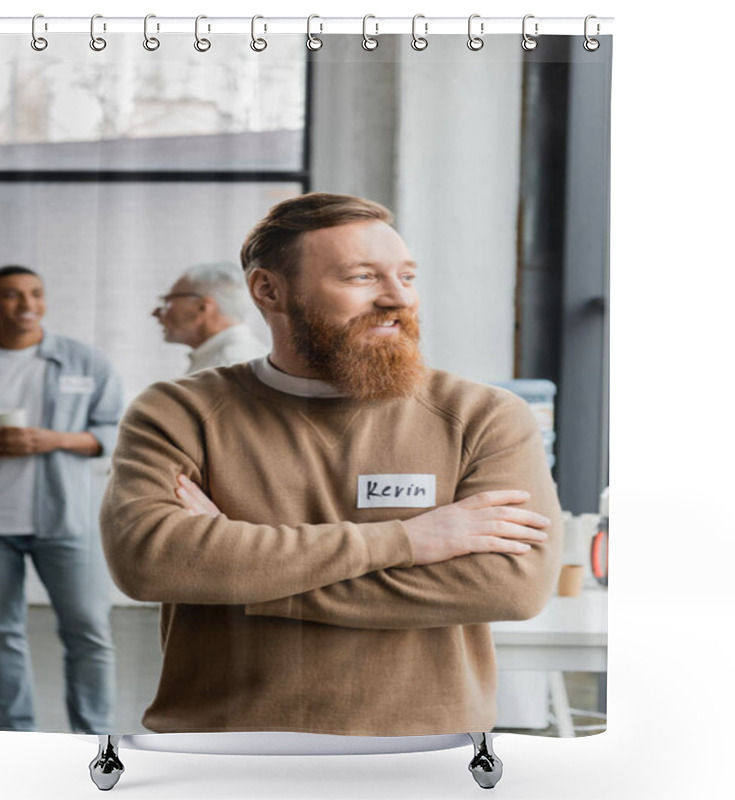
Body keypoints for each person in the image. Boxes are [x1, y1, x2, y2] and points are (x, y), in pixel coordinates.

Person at [100, 193, 563, 736]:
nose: (397, 298)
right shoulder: (179, 412)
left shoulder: (484, 416)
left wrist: (241, 572)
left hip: (427, 752)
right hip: (221, 745)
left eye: (406, 277)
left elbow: (511, 587)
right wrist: (408, 542)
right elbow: (149, 562)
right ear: (268, 290)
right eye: (362, 277)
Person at [0, 265, 123, 733]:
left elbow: (113, 433)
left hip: (67, 520)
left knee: (89, 633)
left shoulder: (84, 361)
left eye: (36, 293)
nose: (27, 304)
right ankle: (15, 737)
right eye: (12, 295)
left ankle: (94, 739)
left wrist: (52, 439)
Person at [152, 262, 266, 374]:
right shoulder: (234, 361)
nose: (154, 313)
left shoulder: (227, 366)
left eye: (167, 301)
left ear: (203, 307)